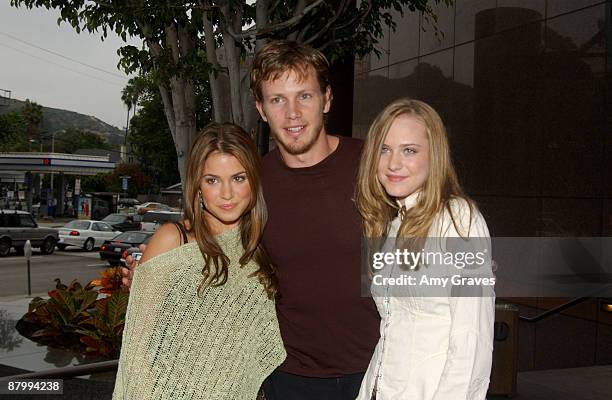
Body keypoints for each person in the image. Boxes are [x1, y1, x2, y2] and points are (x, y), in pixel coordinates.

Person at [123, 41, 380, 400]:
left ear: (327, 99)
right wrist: (154, 274)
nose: (292, 113)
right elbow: (207, 246)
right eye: (277, 99)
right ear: (260, 108)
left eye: (304, 96)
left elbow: (436, 238)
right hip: (288, 380)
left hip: (379, 371)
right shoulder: (252, 182)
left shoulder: (377, 165)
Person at [113, 123, 286, 400]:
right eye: (213, 180)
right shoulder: (172, 240)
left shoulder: (259, 247)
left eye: (239, 178)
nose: (227, 193)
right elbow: (139, 353)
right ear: (197, 185)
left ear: (254, 180)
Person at [354, 98, 495, 400]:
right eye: (384, 149)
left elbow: (472, 338)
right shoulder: (390, 227)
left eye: (409, 150)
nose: (393, 163)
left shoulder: (459, 221)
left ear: (435, 156)